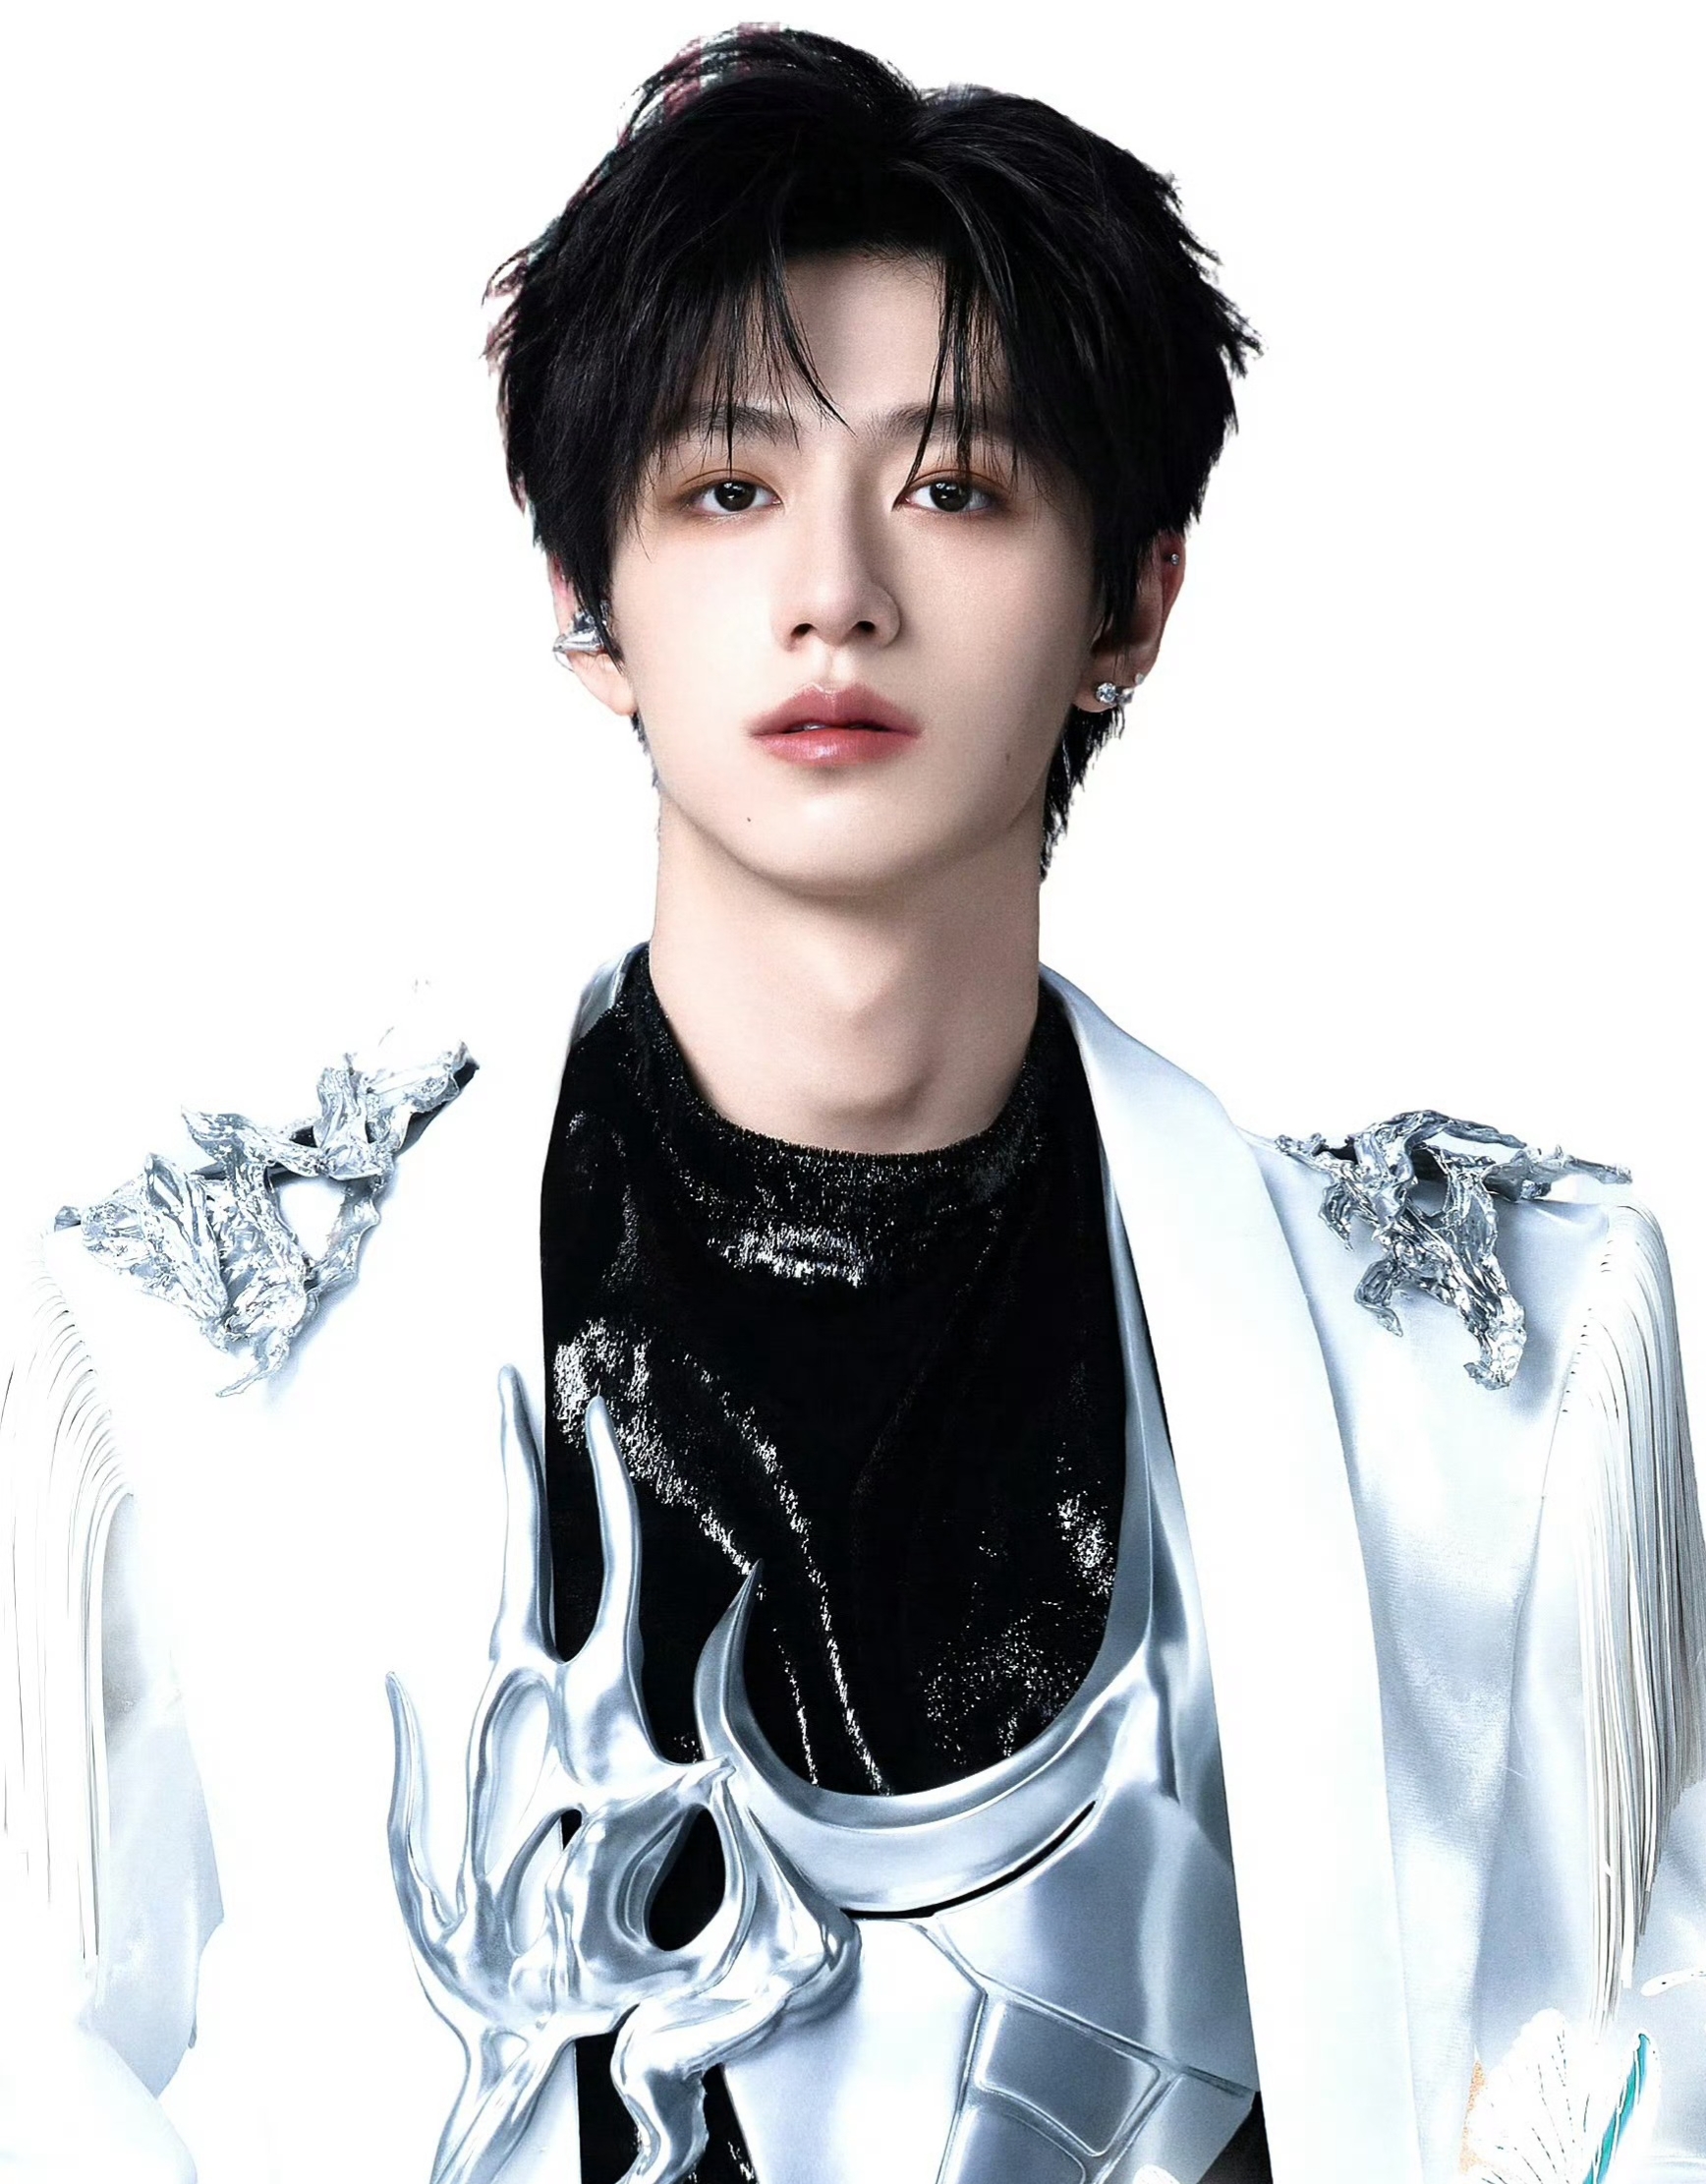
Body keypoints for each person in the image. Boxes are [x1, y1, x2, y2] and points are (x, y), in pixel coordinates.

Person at [5, 24, 1704, 2184]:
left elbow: (1622, 2086)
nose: (837, 592)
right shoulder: (211, 1377)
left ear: (1135, 596)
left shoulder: (1481, 1390)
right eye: (728, 489)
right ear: (580, 595)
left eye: (955, 488)